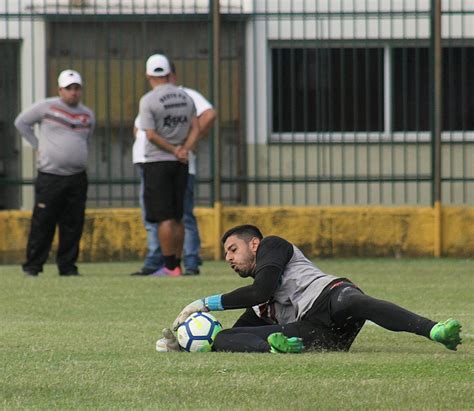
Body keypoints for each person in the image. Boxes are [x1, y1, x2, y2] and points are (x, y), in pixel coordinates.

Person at [156, 224, 462, 353]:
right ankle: (276, 350)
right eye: (226, 255)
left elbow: (260, 290)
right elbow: (240, 334)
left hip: (330, 298)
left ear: (254, 244)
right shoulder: (260, 305)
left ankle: (435, 330)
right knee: (223, 338)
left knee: (355, 301)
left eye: (232, 250)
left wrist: (205, 303)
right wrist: (184, 342)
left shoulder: (273, 246)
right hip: (322, 334)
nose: (229, 259)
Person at [131, 63, 216, 276]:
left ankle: (170, 266)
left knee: (163, 217)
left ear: (149, 76)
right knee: (179, 216)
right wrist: (184, 149)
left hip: (157, 162)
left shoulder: (149, 99)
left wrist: (172, 149)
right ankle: (177, 263)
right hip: (181, 163)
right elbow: (196, 127)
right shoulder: (185, 97)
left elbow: (149, 134)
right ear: (170, 74)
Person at [14, 69, 95, 277]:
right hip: (50, 176)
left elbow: (87, 138)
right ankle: (33, 266)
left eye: (77, 88)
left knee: (73, 224)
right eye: (69, 89)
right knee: (43, 222)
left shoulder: (87, 114)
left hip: (77, 176)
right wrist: (36, 145)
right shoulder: (47, 107)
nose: (74, 93)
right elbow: (21, 123)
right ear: (60, 90)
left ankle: (68, 266)